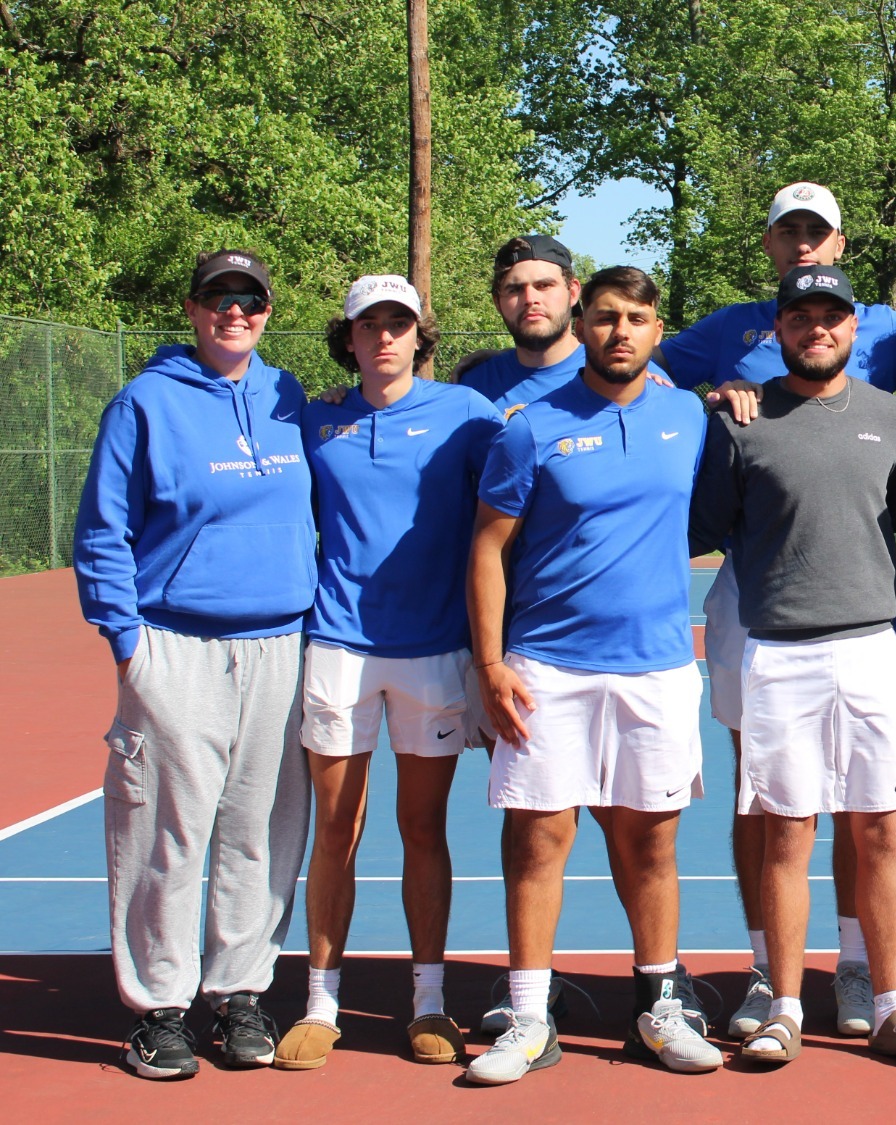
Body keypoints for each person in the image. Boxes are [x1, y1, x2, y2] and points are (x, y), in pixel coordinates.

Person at [657, 183, 896, 1039]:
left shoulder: (892, 340)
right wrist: (714, 395)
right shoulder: (724, 327)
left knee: (869, 809)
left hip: (857, 609)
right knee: (767, 802)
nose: (803, 246)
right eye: (789, 232)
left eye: (816, 232)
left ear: (841, 244)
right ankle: (767, 973)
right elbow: (649, 378)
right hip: (762, 601)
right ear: (770, 243)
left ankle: (860, 967)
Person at [464, 267, 717, 1084]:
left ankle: (659, 1005)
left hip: (658, 670)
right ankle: (531, 1016)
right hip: (547, 668)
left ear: (655, 328)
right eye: (605, 317)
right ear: (582, 319)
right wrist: (492, 661)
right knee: (539, 839)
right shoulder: (528, 426)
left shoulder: (687, 413)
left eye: (637, 318)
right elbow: (488, 549)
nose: (620, 332)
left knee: (651, 843)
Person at [74, 249, 315, 1079]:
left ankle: (239, 992)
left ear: (267, 312)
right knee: (167, 833)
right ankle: (161, 1009)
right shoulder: (144, 401)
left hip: (281, 644)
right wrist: (128, 642)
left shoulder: (288, 398)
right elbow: (103, 530)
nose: (235, 311)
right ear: (192, 308)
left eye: (250, 298)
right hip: (174, 642)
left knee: (261, 830)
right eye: (219, 298)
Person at [268, 276, 504, 1071]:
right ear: (349, 338)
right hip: (335, 645)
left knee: (422, 829)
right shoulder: (316, 416)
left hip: (435, 653)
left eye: (398, 324)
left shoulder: (467, 414)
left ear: (419, 335)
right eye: (368, 326)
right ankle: (322, 1001)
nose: (383, 339)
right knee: (335, 830)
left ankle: (429, 1002)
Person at [457, 235, 663, 413]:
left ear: (573, 292)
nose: (530, 299)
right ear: (497, 302)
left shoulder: (633, 375)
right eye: (515, 289)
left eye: (544, 285)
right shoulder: (473, 384)